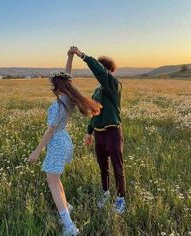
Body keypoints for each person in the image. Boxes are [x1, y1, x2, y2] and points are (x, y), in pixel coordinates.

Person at [27, 48, 102, 235]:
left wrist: (36, 152)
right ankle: (66, 207)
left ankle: (68, 225)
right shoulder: (68, 97)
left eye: (51, 83)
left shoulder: (58, 105)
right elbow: (68, 77)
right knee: (55, 178)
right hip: (64, 140)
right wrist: (69, 58)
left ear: (55, 85)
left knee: (52, 182)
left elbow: (50, 131)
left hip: (58, 142)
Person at [71, 47, 126, 214]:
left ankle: (121, 198)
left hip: (113, 133)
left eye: (100, 69)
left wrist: (83, 56)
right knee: (103, 166)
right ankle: (106, 193)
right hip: (99, 134)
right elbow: (94, 113)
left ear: (106, 70)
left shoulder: (114, 85)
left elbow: (101, 73)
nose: (97, 74)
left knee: (117, 166)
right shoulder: (97, 91)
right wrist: (89, 132)